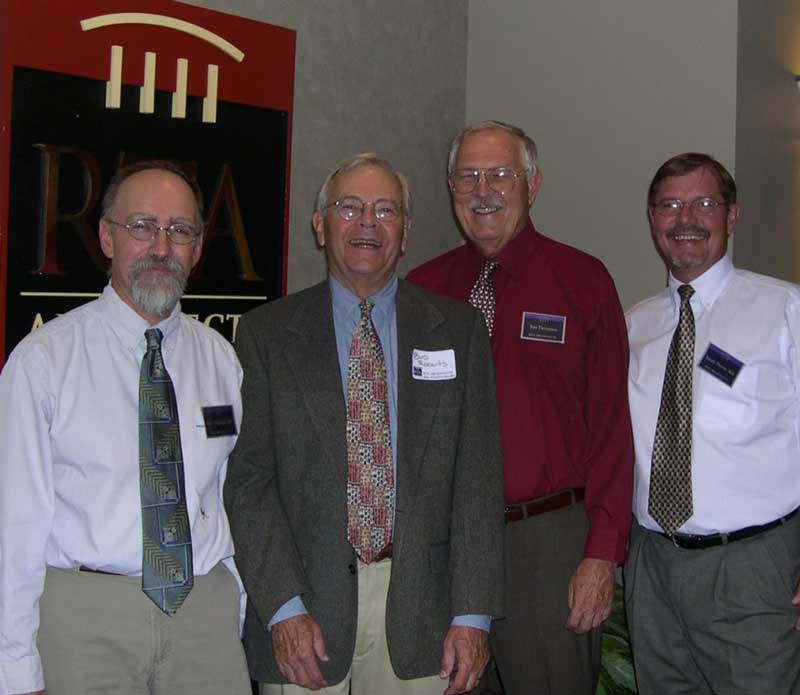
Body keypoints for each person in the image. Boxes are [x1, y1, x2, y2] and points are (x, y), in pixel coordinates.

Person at [224, 153, 504, 695]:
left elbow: (478, 480)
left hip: (425, 613)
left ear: (405, 233)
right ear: (320, 225)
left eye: (385, 210)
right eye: (348, 207)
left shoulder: (459, 332)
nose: (367, 222)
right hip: (305, 617)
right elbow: (249, 481)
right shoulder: (265, 335)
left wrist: (474, 617)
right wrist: (282, 607)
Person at [0, 161, 251, 695]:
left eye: (179, 231)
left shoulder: (222, 360)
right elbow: (13, 524)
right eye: (142, 226)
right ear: (106, 238)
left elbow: (231, 496)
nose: (161, 246)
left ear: (198, 249)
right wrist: (15, 666)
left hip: (202, 615)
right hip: (85, 619)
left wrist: (234, 602)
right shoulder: (44, 361)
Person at [407, 121, 633, 695]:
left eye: (501, 174)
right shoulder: (422, 290)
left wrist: (601, 555)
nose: (484, 189)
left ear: (532, 184)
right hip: (448, 548)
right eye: (468, 176)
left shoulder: (582, 282)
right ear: (451, 188)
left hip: (547, 544)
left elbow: (612, 429)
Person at [625, 152, 800, 694]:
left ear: (732, 215)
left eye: (704, 203)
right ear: (652, 219)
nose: (686, 219)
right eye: (669, 205)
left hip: (751, 566)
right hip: (651, 567)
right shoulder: (633, 326)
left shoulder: (785, 310)